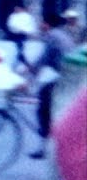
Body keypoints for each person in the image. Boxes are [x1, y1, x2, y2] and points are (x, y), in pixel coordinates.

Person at [25, 11, 75, 159]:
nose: (40, 25)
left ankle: (45, 146)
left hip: (69, 77)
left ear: (47, 24)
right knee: (49, 102)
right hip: (70, 76)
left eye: (41, 22)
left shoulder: (52, 36)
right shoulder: (60, 34)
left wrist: (28, 77)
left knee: (44, 106)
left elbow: (43, 59)